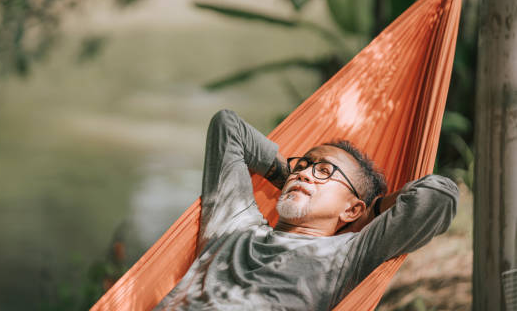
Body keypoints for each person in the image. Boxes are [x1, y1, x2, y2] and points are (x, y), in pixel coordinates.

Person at [154, 109, 459, 311]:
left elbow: (439, 196)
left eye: (325, 171)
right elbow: (228, 127)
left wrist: (372, 210)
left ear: (351, 210)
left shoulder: (347, 255)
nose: (305, 173)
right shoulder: (233, 224)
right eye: (303, 165)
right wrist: (291, 176)